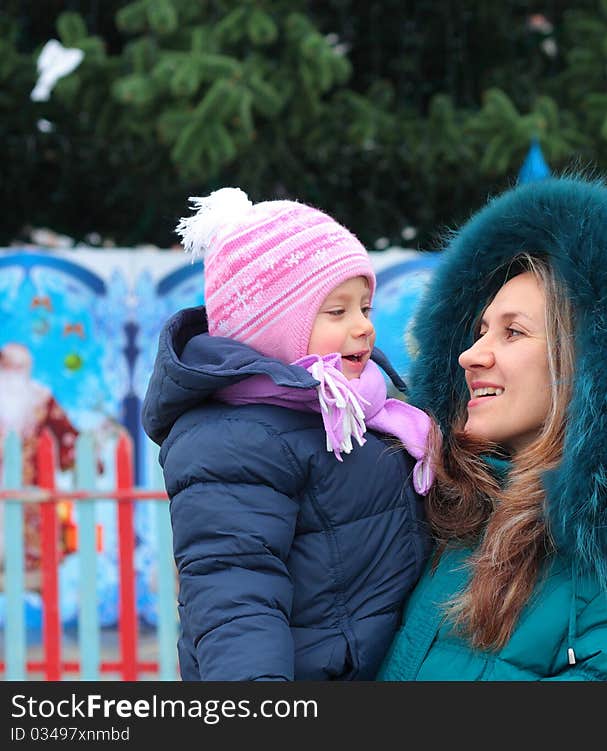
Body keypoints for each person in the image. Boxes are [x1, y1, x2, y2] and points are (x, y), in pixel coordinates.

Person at [377, 175, 607, 681]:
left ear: (592, 366)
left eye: (513, 332)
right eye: (478, 332)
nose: (470, 356)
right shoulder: (440, 513)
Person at [141, 188, 432, 680]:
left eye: (366, 307)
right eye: (337, 312)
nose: (363, 327)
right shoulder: (234, 439)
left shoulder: (361, 408)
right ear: (270, 327)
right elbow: (235, 596)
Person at [0, 342, 79, 581]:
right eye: (10, 365)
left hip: (32, 485)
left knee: (32, 542)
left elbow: (66, 436)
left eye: (19, 366)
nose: (14, 371)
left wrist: (86, 460)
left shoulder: (41, 399)